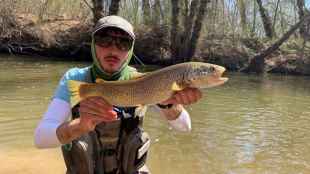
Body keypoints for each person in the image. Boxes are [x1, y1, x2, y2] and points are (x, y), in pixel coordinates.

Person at [34, 15, 202, 174]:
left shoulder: (144, 81)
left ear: (130, 49)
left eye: (123, 42)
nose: (113, 48)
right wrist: (79, 126)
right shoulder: (75, 79)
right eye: (104, 39)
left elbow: (185, 127)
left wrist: (170, 105)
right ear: (93, 44)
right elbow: (40, 139)